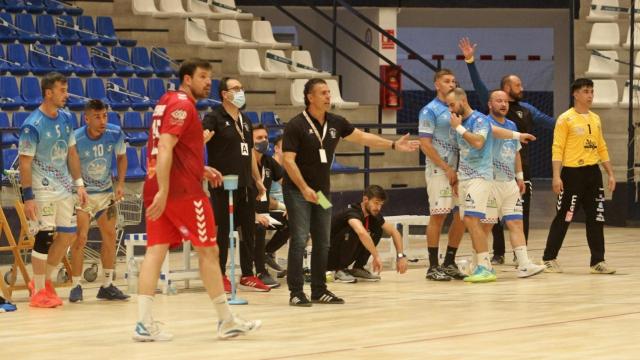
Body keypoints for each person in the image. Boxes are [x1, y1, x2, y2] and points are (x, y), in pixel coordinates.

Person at [133, 58, 260, 342]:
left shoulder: (166, 100)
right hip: (180, 191)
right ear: (187, 79)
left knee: (156, 251)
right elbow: (165, 145)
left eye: (209, 77)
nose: (207, 82)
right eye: (202, 76)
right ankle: (226, 320)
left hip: (157, 183)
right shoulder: (183, 105)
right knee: (209, 250)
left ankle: (142, 323)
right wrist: (167, 190)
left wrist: (197, 168)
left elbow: (167, 148)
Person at [282, 78, 420, 306]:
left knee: (323, 241)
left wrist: (393, 145)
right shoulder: (296, 125)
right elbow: (288, 160)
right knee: (298, 240)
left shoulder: (336, 122)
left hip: (322, 193)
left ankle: (319, 289)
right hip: (297, 191)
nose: (328, 96)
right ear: (310, 97)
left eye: (329, 92)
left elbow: (363, 137)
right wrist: (304, 188)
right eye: (323, 93)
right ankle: (296, 292)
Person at [459, 37, 556, 264]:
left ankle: (521, 258)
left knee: (518, 216)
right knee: (489, 219)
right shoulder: (487, 111)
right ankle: (493, 255)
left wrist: (572, 121)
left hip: (518, 169)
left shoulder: (526, 110)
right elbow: (479, 85)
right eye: (518, 85)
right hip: (490, 172)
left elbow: (550, 122)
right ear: (503, 91)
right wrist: (470, 61)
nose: (522, 88)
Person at [447, 88, 535, 283]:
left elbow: (478, 142)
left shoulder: (478, 120)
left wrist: (459, 128)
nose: (450, 109)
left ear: (463, 100)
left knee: (473, 220)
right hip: (466, 177)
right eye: (447, 106)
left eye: (452, 105)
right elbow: (466, 146)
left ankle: (485, 266)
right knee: (474, 221)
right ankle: (479, 263)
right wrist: (455, 174)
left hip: (481, 176)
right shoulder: (463, 121)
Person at [18, 72, 88, 308]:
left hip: (65, 187)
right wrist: (28, 197)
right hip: (42, 189)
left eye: (66, 90)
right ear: (48, 93)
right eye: (62, 90)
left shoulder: (66, 118)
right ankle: (38, 292)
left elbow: (72, 153)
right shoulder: (32, 125)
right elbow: (24, 163)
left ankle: (44, 282)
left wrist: (79, 184)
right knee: (45, 236)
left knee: (68, 234)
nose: (66, 95)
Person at [542, 78, 616, 274]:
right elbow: (557, 148)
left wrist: (610, 173)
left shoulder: (595, 118)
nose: (590, 95)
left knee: (596, 218)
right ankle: (549, 257)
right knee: (565, 216)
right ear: (575, 94)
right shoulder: (565, 119)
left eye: (591, 91)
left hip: (593, 174)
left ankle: (597, 261)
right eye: (585, 91)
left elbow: (601, 146)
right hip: (572, 174)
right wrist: (557, 176)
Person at [203, 77, 269, 293]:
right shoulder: (214, 117)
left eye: (242, 88)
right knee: (223, 231)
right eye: (236, 88)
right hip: (222, 184)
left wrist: (258, 181)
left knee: (248, 229)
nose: (241, 91)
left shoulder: (246, 121)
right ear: (224, 93)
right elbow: (201, 138)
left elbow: (249, 153)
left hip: (245, 185)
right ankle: (220, 274)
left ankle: (248, 274)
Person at [68, 99, 129, 302]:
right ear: (87, 118)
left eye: (104, 116)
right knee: (81, 238)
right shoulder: (75, 138)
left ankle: (107, 285)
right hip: (83, 194)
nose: (102, 120)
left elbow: (121, 157)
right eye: (97, 116)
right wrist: (78, 186)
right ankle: (76, 285)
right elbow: (70, 163)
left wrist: (120, 183)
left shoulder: (114, 133)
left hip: (105, 193)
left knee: (110, 236)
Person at [480, 90, 545, 278]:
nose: (503, 104)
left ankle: (524, 263)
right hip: (490, 182)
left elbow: (516, 152)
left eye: (506, 101)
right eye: (498, 101)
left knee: (516, 222)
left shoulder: (511, 125)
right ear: (490, 104)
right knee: (486, 225)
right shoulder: (483, 123)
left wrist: (520, 176)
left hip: (509, 183)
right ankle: (481, 263)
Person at [418, 68, 467, 281]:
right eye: (447, 81)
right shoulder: (429, 111)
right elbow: (425, 144)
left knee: (463, 215)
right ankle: (432, 266)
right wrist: (445, 167)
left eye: (454, 80)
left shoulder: (457, 109)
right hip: (439, 170)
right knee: (439, 215)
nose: (452, 84)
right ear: (437, 84)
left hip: (460, 169)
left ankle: (449, 261)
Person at [327, 185, 408, 283]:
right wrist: (376, 256)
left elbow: (394, 232)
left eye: (381, 204)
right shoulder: (352, 212)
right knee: (357, 231)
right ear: (365, 199)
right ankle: (338, 270)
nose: (378, 208)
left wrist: (400, 256)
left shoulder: (373, 216)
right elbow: (361, 233)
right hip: (328, 255)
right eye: (376, 203)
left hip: (340, 253)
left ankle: (358, 267)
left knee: (378, 230)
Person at [252, 124, 285, 288]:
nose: (264, 141)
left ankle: (266, 252)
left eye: (265, 138)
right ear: (277, 149)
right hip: (249, 214)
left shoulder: (270, 163)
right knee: (259, 226)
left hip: (269, 212)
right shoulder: (245, 162)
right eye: (259, 138)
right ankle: (260, 271)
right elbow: (271, 199)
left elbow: (293, 186)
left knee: (297, 220)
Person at [263, 134, 289, 278]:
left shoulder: (292, 166)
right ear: (276, 149)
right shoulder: (269, 167)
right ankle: (264, 253)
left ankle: (312, 267)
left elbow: (312, 189)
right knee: (295, 222)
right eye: (285, 148)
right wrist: (286, 207)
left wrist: (324, 204)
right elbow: (264, 199)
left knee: (322, 214)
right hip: (272, 210)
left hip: (289, 209)